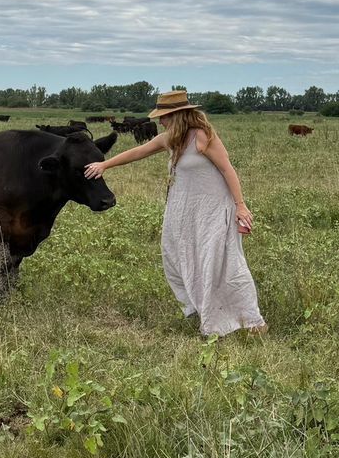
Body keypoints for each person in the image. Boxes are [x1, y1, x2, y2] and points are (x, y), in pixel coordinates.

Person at [84, 91, 267, 337]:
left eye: (164, 116)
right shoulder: (171, 139)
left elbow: (227, 169)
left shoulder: (203, 136)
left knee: (222, 264)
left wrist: (241, 205)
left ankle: (252, 322)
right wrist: (105, 164)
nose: (160, 121)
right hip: (185, 212)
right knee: (184, 257)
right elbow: (139, 152)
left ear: (178, 115)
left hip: (212, 210)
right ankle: (209, 312)